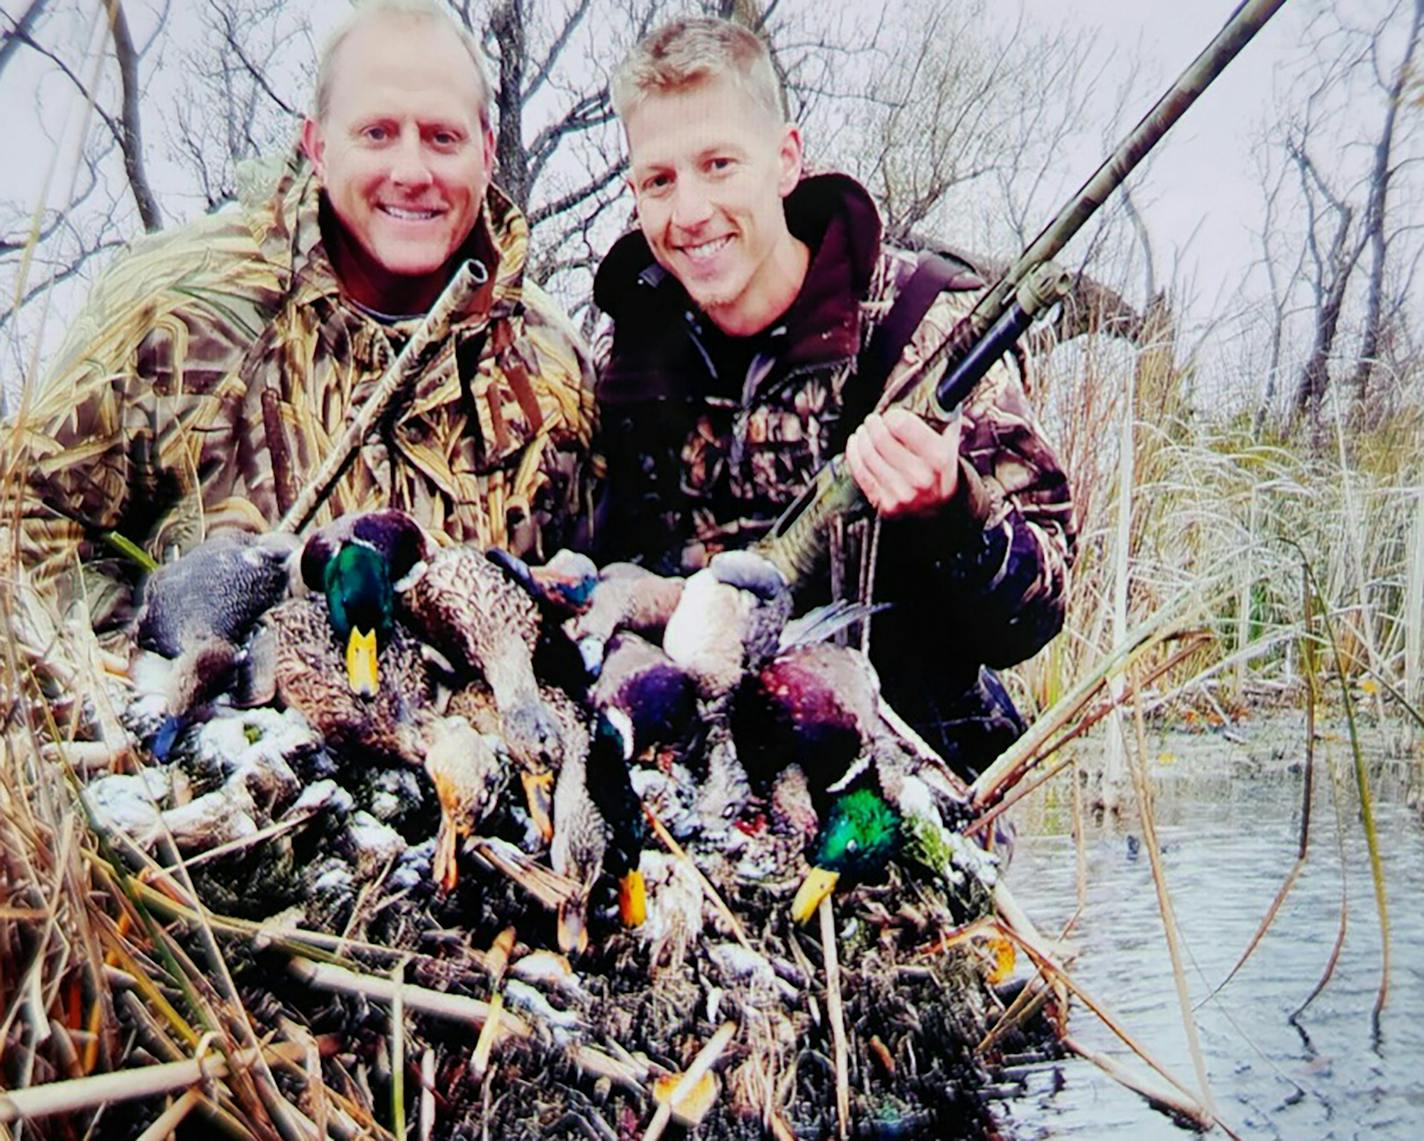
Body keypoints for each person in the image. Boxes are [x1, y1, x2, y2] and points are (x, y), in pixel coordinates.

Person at [9, 0, 593, 642]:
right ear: (316, 144)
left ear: (486, 149)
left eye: (442, 137)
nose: (410, 172)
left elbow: (589, 600)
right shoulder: (178, 306)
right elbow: (25, 526)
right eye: (376, 133)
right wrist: (150, 689)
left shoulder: (552, 364)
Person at [590, 17, 1076, 780]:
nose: (689, 213)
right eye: (660, 180)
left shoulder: (922, 328)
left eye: (719, 164)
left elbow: (1037, 613)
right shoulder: (620, 365)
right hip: (693, 798)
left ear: (786, 160)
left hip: (905, 795)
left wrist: (956, 507)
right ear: (635, 193)